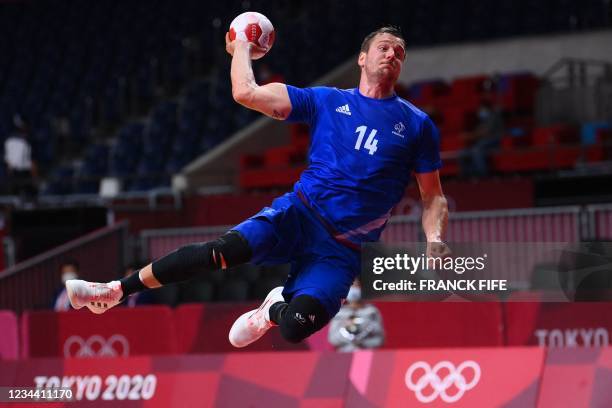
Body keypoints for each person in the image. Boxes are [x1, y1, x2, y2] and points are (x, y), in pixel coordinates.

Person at [65, 26, 449, 348]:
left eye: (399, 52)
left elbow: (432, 197)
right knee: (221, 251)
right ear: (362, 58)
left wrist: (433, 238)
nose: (392, 54)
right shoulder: (326, 101)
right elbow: (245, 92)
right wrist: (242, 47)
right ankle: (114, 290)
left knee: (296, 327)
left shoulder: (416, 125)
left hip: (343, 249)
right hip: (298, 214)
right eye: (384, 47)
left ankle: (272, 309)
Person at [328, 279, 385, 352]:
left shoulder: (372, 312)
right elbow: (333, 339)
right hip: (345, 356)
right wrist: (351, 340)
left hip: (367, 356)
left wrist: (362, 343)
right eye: (350, 286)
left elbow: (380, 339)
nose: (354, 289)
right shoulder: (339, 313)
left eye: (357, 286)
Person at [3, 114, 38, 199]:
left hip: (18, 175)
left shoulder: (9, 140)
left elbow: (9, 165)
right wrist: (35, 178)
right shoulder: (25, 140)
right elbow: (32, 163)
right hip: (23, 175)